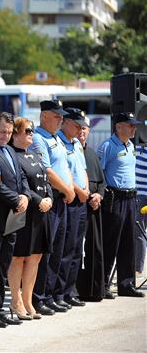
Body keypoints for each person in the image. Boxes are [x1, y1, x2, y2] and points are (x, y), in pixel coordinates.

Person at [0, 112, 30, 327]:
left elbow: (20, 177)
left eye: (10, 132)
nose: (6, 136)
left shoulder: (10, 149)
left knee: (3, 265)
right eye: (2, 131)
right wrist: (15, 199)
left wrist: (26, 197)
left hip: (13, 216)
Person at [29, 99, 75, 315]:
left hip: (63, 197)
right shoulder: (38, 139)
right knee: (46, 251)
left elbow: (63, 166)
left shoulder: (55, 137)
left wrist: (69, 189)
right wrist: (66, 189)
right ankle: (40, 298)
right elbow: (47, 171)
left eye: (61, 117)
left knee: (60, 249)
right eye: (57, 116)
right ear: (44, 115)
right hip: (51, 198)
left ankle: (52, 294)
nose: (60, 120)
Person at [8, 117, 53, 320]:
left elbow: (45, 179)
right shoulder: (12, 155)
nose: (31, 134)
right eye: (27, 130)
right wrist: (38, 201)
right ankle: (15, 301)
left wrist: (50, 198)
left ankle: (27, 300)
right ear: (15, 133)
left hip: (41, 214)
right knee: (19, 257)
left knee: (36, 256)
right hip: (23, 212)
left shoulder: (34, 154)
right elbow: (21, 185)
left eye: (32, 131)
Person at [97, 112, 145, 298]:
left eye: (134, 125)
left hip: (130, 198)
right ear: (118, 127)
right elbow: (99, 172)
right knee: (111, 242)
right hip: (115, 198)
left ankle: (127, 284)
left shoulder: (131, 145)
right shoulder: (108, 146)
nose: (134, 128)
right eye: (130, 125)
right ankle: (104, 284)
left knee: (128, 242)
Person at [56, 108, 90, 309]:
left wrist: (85, 189)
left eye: (82, 126)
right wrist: (79, 191)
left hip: (81, 200)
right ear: (66, 122)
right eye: (76, 125)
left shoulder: (77, 143)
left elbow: (82, 169)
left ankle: (70, 291)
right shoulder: (59, 142)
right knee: (65, 249)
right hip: (69, 199)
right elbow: (65, 172)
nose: (80, 129)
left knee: (77, 249)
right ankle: (59, 293)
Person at [76, 121, 106, 301]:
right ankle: (76, 290)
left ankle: (95, 289)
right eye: (78, 128)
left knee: (95, 248)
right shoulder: (70, 151)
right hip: (77, 203)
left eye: (85, 128)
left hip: (94, 206)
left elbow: (102, 181)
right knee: (77, 250)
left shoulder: (92, 154)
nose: (82, 132)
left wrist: (98, 196)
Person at [135, 146, 147, 283]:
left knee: (139, 233)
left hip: (142, 196)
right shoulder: (138, 149)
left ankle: (138, 268)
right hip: (139, 195)